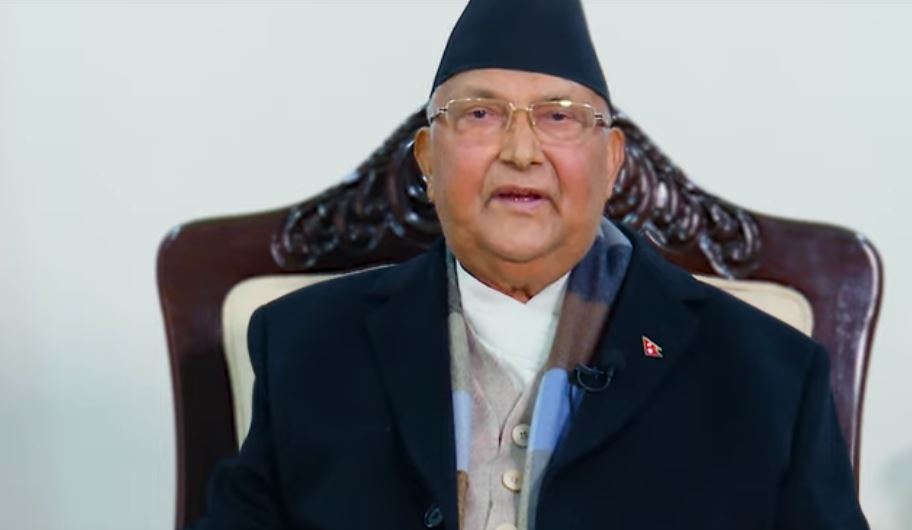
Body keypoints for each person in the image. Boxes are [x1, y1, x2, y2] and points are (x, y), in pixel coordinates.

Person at [188, 0, 870, 528]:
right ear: (427, 160)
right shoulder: (308, 346)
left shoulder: (765, 374)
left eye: (559, 117)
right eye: (481, 114)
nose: (521, 151)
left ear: (611, 161)